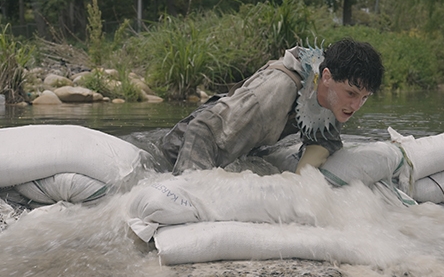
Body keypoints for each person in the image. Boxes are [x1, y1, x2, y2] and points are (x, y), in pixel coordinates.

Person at [160, 37, 384, 175]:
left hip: (239, 149)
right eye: (352, 94)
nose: (356, 106)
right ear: (326, 77)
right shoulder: (277, 89)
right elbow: (203, 130)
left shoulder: (335, 100)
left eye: (364, 98)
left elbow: (324, 141)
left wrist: (301, 186)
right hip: (181, 149)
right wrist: (191, 192)